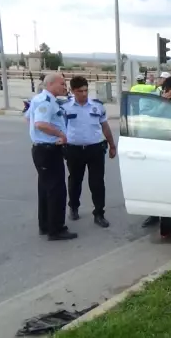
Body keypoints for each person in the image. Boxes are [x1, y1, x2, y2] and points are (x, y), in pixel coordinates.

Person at [62, 76, 117, 228]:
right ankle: (73, 207)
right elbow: (61, 128)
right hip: (74, 150)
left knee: (97, 183)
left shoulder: (97, 106)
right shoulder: (65, 107)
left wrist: (112, 145)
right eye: (80, 91)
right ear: (73, 91)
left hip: (95, 149)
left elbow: (105, 126)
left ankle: (99, 213)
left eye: (86, 90)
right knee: (75, 180)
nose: (84, 94)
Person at [28, 73, 78, 241]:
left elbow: (28, 118)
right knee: (56, 190)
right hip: (48, 151)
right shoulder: (46, 101)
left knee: (45, 189)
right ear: (51, 84)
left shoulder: (40, 99)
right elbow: (40, 124)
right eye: (62, 84)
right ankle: (56, 229)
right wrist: (60, 134)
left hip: (42, 149)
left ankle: (45, 225)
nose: (65, 87)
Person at [140, 76, 171, 242]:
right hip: (153, 145)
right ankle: (154, 214)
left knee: (169, 186)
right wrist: (163, 102)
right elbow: (145, 118)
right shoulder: (149, 99)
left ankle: (166, 224)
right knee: (154, 184)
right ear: (166, 90)